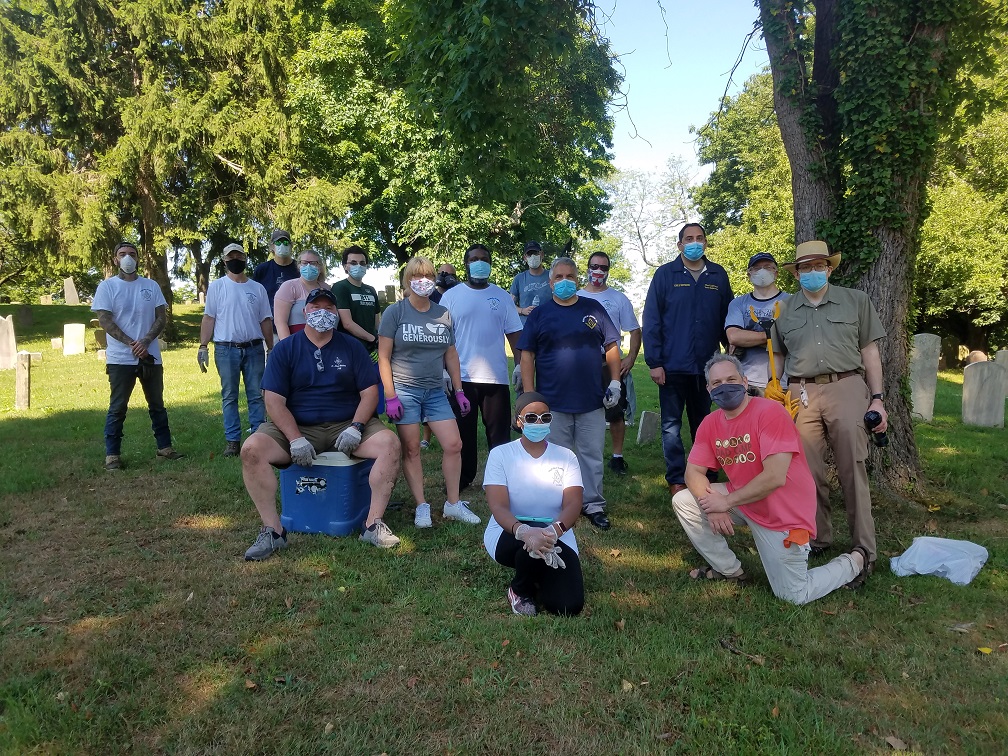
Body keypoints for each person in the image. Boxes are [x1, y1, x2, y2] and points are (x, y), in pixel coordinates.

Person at [671, 354, 869, 603]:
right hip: (744, 499)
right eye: (717, 383)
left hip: (783, 513)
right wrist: (712, 507)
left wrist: (727, 502)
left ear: (744, 382)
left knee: (794, 594)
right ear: (709, 389)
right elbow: (692, 472)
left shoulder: (770, 412)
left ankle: (854, 561)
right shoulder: (710, 423)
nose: (725, 386)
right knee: (684, 500)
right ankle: (731, 571)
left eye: (731, 379)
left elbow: (775, 476)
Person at [240, 288, 402, 559]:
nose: (322, 314)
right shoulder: (285, 349)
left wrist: (357, 426)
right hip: (297, 427)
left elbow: (370, 393)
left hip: (347, 424)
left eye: (329, 309)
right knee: (251, 449)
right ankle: (273, 531)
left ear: (337, 314)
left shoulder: (352, 347)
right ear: (304, 312)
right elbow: (274, 401)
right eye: (316, 308)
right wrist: (294, 438)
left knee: (390, 444)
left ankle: (373, 524)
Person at [772, 240, 887, 589]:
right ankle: (818, 539)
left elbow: (870, 352)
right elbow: (777, 355)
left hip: (846, 386)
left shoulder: (856, 301)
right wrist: (774, 390)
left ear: (829, 267)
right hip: (800, 392)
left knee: (853, 467)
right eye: (804, 268)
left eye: (817, 265)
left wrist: (878, 399)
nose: (811, 272)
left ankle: (864, 550)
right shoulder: (784, 309)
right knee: (805, 471)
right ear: (796, 274)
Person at [518, 257, 622, 530]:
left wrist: (615, 382)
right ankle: (558, 504)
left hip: (591, 399)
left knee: (591, 455)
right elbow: (527, 354)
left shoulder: (594, 309)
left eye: (570, 277)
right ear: (551, 283)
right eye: (559, 277)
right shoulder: (540, 315)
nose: (565, 281)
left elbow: (611, 345)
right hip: (552, 402)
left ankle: (593, 504)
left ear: (578, 280)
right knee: (555, 457)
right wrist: (530, 396)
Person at [377, 256, 481, 528]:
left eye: (428, 275)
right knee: (412, 449)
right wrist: (390, 395)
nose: (422, 281)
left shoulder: (442, 313)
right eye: (416, 276)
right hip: (404, 390)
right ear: (407, 280)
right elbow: (384, 357)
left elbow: (451, 354)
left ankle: (453, 504)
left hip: (435, 391)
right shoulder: (394, 313)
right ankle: (421, 505)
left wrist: (458, 391)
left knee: (453, 444)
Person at [642, 222, 733, 496]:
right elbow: (652, 320)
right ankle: (677, 479)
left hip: (708, 368)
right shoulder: (665, 275)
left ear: (706, 242)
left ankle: (706, 472)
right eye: (688, 238)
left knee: (704, 423)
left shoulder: (717, 275)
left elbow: (726, 318)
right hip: (671, 366)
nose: (695, 242)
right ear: (679, 244)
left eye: (700, 237)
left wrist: (729, 355)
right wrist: (654, 362)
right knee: (671, 426)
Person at [483, 391, 585, 617]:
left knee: (568, 605)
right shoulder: (500, 454)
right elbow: (498, 506)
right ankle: (519, 590)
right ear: (518, 421)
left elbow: (573, 503)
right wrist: (525, 532)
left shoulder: (566, 456)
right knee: (528, 547)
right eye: (531, 417)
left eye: (545, 417)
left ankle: (538, 571)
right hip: (509, 530)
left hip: (556, 531)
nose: (538, 422)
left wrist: (552, 531)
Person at [92, 241, 184, 470]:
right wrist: (131, 343)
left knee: (157, 405)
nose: (127, 258)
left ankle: (165, 447)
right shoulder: (107, 287)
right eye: (122, 254)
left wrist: (144, 341)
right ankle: (112, 454)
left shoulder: (151, 286)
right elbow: (105, 320)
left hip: (150, 356)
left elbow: (161, 317)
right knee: (118, 407)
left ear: (138, 258)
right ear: (115, 259)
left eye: (132, 254)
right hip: (120, 359)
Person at [440, 243, 523, 490]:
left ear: (490, 263)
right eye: (474, 259)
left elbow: (515, 333)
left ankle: (500, 479)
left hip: (495, 377)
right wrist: (442, 369)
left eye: (484, 258)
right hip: (461, 378)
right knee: (462, 433)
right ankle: (463, 478)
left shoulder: (502, 297)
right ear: (465, 265)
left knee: (498, 436)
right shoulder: (451, 297)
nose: (479, 262)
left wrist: (519, 365)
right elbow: (442, 336)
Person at [198, 243, 274, 457]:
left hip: (254, 349)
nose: (236, 260)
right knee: (229, 395)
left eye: (239, 256)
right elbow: (209, 317)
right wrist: (203, 345)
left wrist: (271, 347)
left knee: (256, 395)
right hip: (225, 349)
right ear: (224, 260)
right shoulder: (217, 287)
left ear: (245, 258)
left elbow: (265, 320)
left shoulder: (257, 288)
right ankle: (233, 441)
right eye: (231, 256)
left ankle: (259, 437)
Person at [578, 250, 641, 476]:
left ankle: (617, 457)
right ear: (587, 267)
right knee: (581, 411)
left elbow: (634, 330)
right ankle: (579, 458)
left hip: (609, 363)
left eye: (604, 268)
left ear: (608, 271)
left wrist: (631, 358)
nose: (598, 271)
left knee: (615, 412)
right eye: (595, 266)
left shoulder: (618, 298)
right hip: (581, 365)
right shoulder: (575, 295)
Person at [724, 252, 790, 396]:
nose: (762, 271)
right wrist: (773, 337)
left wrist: (750, 338)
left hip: (783, 382)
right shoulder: (738, 303)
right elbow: (734, 337)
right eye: (756, 268)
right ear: (749, 274)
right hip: (746, 381)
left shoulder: (790, 302)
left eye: (767, 267)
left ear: (776, 273)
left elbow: (793, 339)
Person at [332, 245, 381, 352]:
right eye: (353, 263)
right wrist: (373, 339)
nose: (358, 266)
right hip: (349, 348)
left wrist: (379, 340)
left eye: (362, 263)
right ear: (345, 266)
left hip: (371, 349)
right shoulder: (340, 287)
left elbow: (377, 322)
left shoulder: (371, 290)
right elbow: (347, 323)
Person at [274, 249, 329, 340]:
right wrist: (288, 347)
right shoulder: (289, 287)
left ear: (319, 267)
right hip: (297, 343)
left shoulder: (327, 288)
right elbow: (280, 322)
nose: (308, 266)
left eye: (313, 263)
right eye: (304, 263)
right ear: (299, 266)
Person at [252, 229, 299, 317]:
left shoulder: (300, 269)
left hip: (295, 325)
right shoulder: (262, 270)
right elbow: (255, 298)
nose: (282, 245)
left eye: (285, 242)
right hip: (270, 324)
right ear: (271, 247)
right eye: (278, 243)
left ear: (291, 246)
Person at [509, 240, 550, 324]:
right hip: (526, 327)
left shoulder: (552, 276)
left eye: (535, 253)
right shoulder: (519, 279)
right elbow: (510, 304)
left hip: (548, 325)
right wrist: (522, 310)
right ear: (525, 258)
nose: (533, 256)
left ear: (541, 254)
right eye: (529, 254)